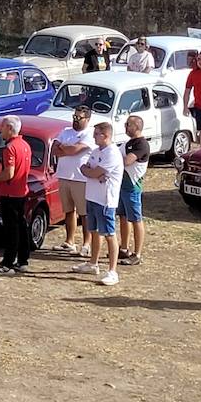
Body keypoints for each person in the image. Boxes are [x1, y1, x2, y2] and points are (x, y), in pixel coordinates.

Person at [75, 120, 124, 286]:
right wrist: (92, 173)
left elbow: (95, 171)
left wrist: (93, 173)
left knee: (109, 235)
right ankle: (92, 263)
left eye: (97, 134)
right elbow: (85, 168)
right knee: (94, 231)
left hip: (105, 200)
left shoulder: (112, 153)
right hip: (92, 197)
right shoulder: (96, 151)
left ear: (106, 135)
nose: (94, 137)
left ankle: (112, 271)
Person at [0, 115, 31, 276]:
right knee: (21, 226)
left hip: (10, 193)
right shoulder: (25, 145)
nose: (0, 130)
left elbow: (9, 173)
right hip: (21, 191)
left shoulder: (10, 148)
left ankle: (7, 263)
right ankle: (23, 260)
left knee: (11, 229)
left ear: (10, 129)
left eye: (2, 127)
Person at [53, 106, 96, 254]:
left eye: (79, 118)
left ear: (87, 119)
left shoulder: (89, 134)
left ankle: (86, 244)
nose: (75, 120)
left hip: (80, 179)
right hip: (64, 176)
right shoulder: (65, 131)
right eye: (74, 117)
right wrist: (67, 149)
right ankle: (69, 241)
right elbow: (54, 149)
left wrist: (65, 148)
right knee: (69, 211)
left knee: (84, 214)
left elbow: (75, 150)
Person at [118, 114, 149, 267]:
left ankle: (137, 253)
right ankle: (124, 248)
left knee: (136, 219)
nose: (125, 127)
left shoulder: (141, 145)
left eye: (128, 124)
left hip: (132, 187)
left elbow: (126, 161)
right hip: (122, 186)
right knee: (123, 217)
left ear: (136, 127)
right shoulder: (127, 143)